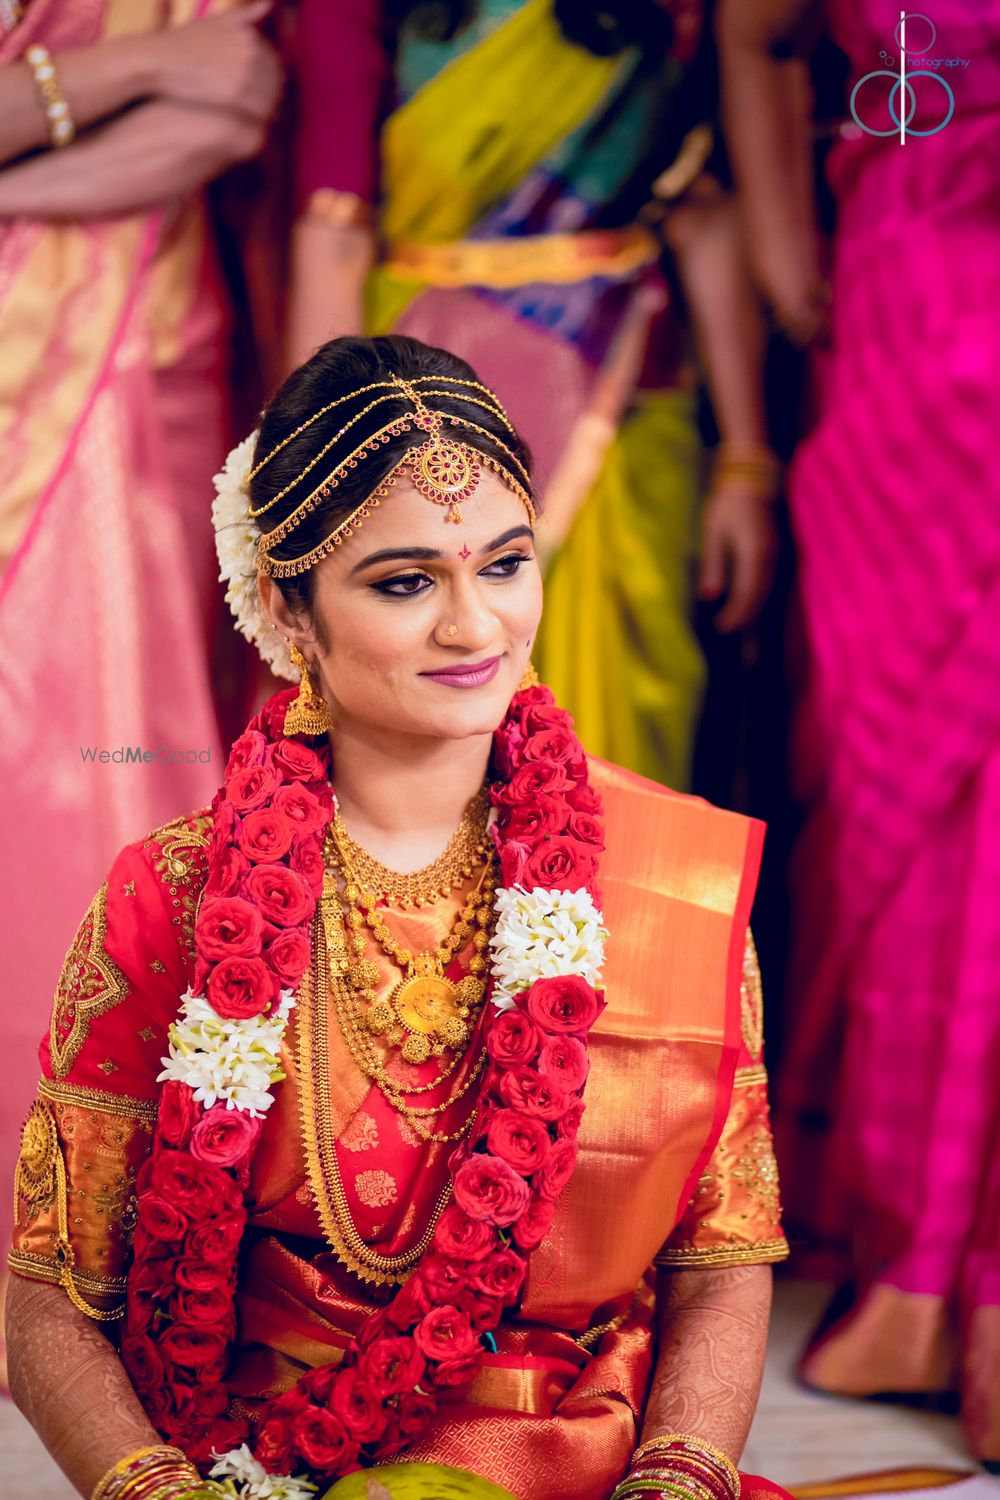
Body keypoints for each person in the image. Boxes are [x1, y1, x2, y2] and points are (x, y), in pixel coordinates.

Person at [6, 334, 790, 1500]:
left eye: (505, 564)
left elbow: (718, 1259)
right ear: (291, 607)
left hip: (579, 1463)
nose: (477, 629)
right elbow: (48, 1299)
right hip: (255, 1467)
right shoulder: (173, 898)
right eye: (406, 581)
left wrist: (675, 1480)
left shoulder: (663, 878)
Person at [718, 0, 1000, 1465]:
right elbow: (759, 32)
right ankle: (913, 1261)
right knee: (908, 778)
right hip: (905, 300)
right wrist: (781, 245)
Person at [283, 0, 780, 794]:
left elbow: (703, 209)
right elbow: (335, 234)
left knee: (632, 726)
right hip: (410, 400)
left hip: (619, 395)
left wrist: (748, 462)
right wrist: (316, 484)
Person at [0, 0, 282, 1286]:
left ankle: (94, 1225)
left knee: (117, 766)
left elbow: (228, 103)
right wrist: (142, 66)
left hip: (133, 353)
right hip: (65, 331)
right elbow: (191, 79)